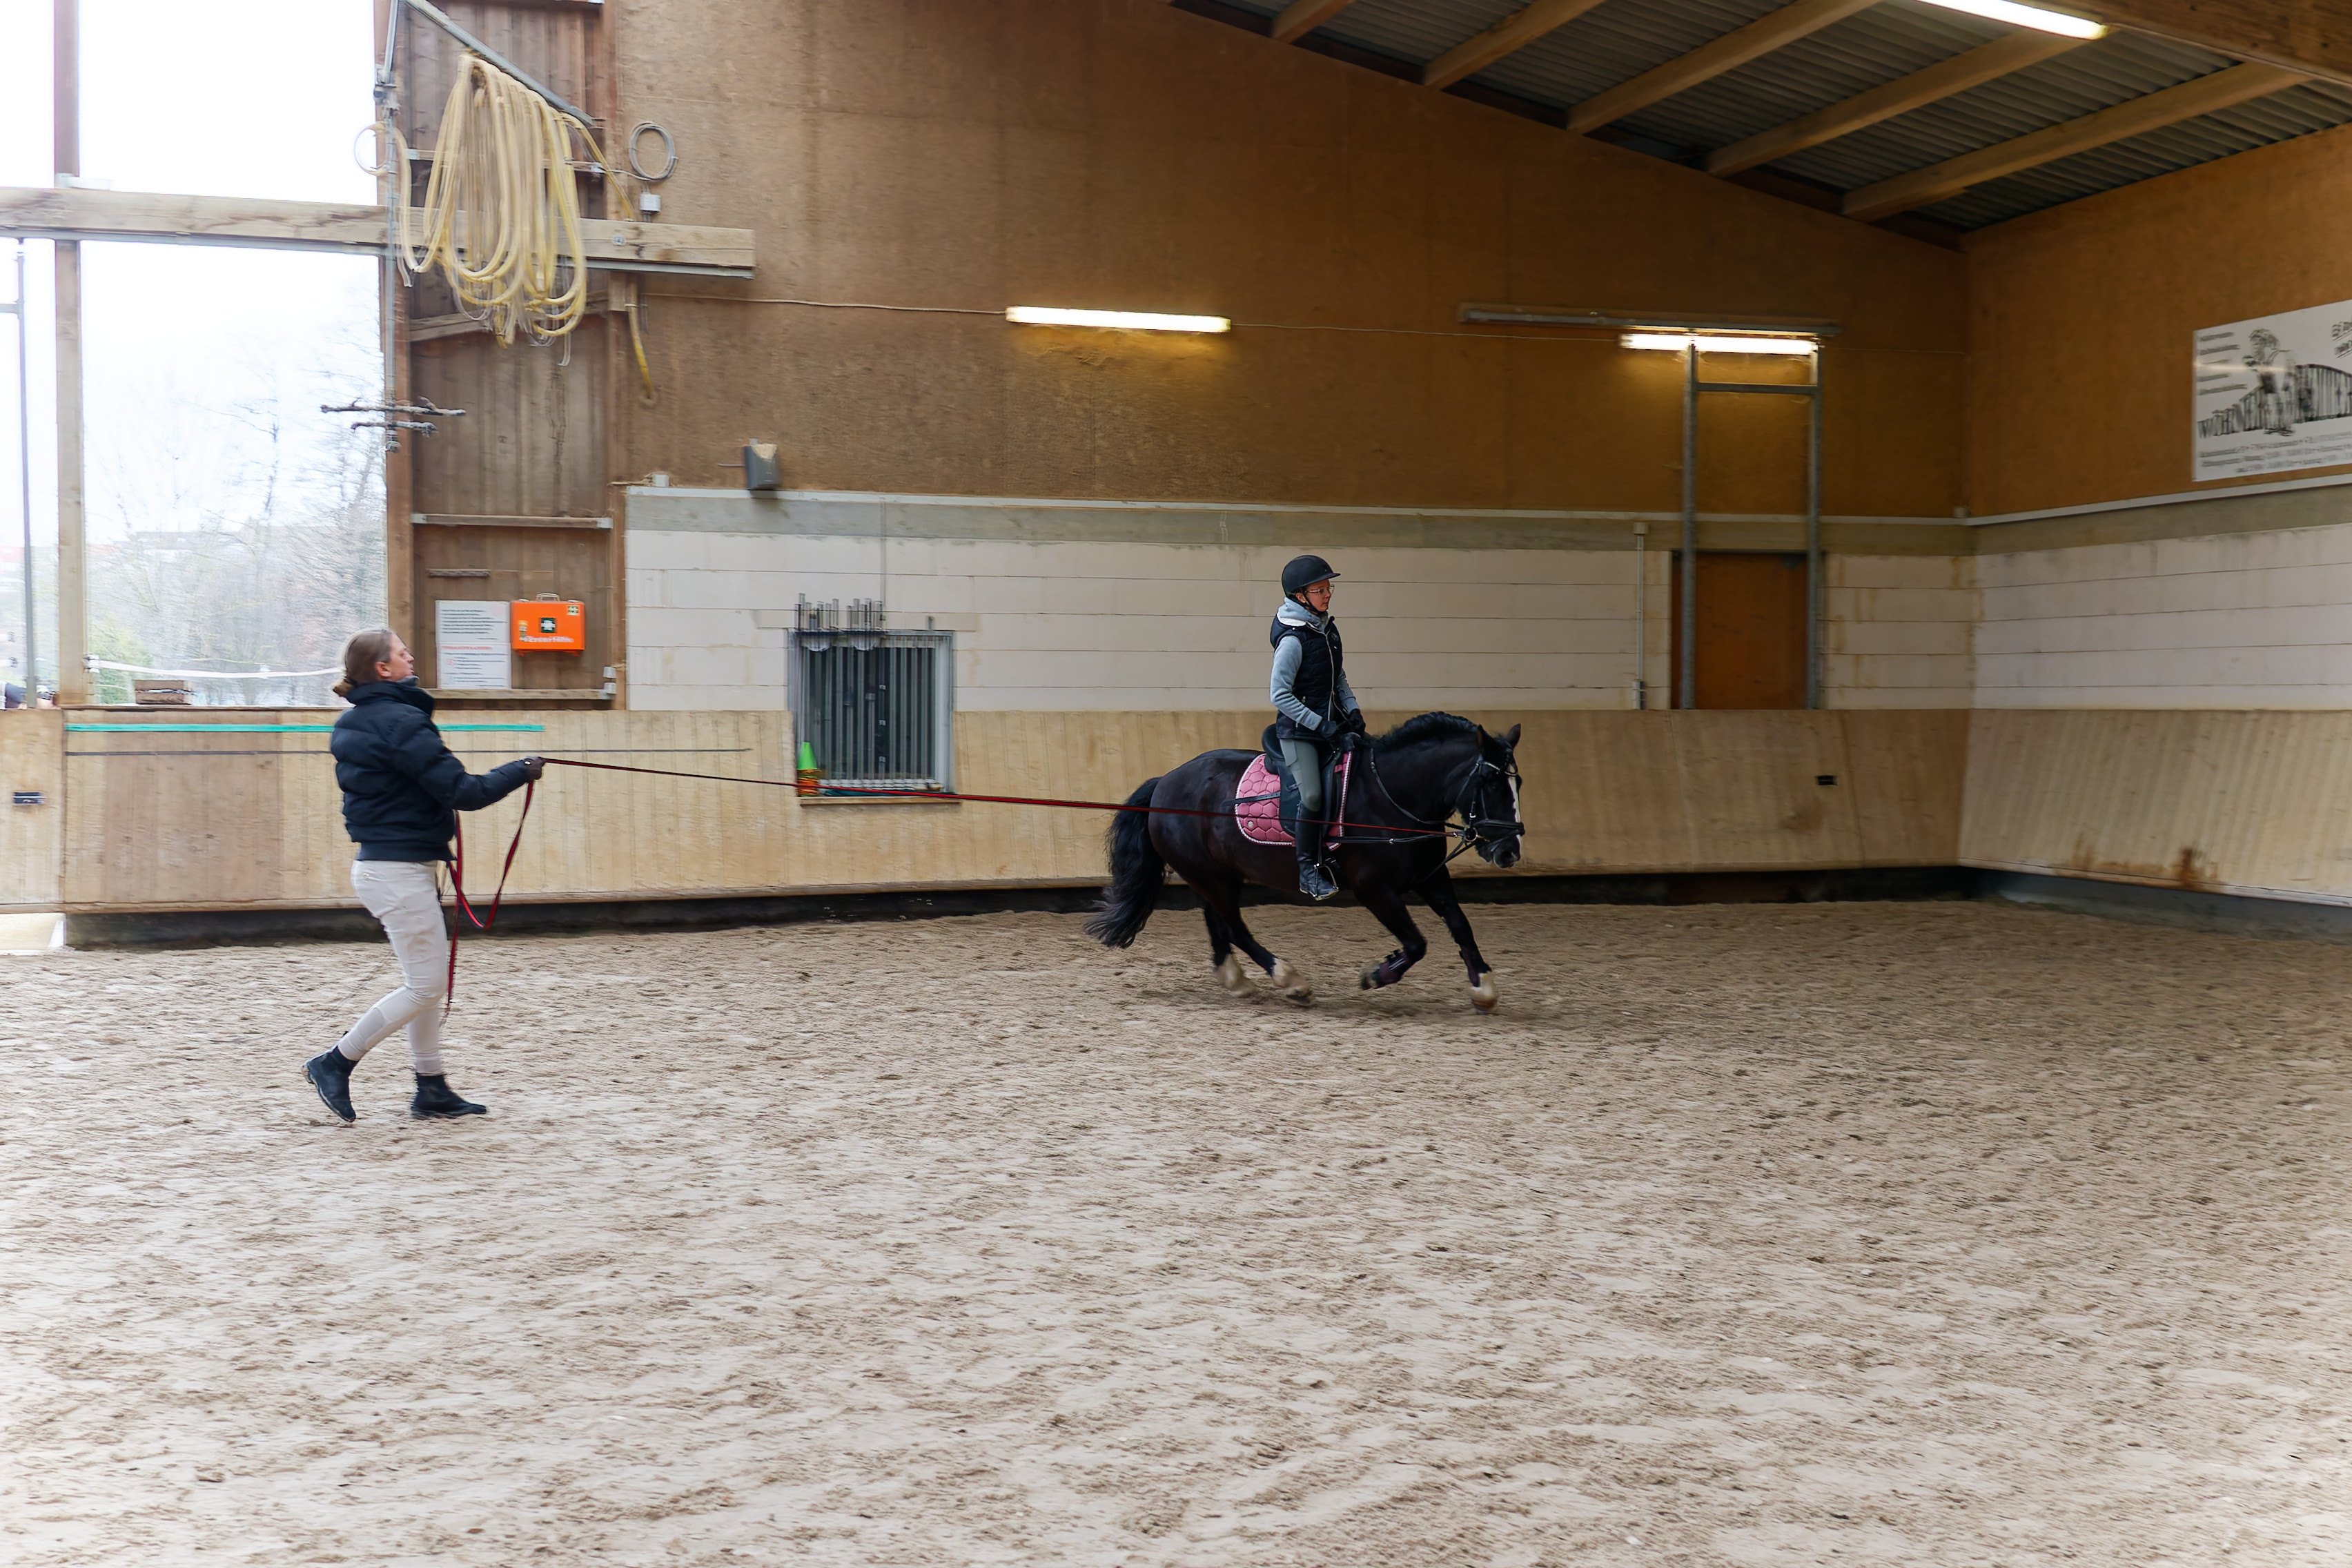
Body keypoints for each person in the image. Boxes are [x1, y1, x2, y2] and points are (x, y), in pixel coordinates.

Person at [304, 627, 542, 1124]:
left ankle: (431, 1088)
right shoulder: (401, 721)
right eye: (401, 653)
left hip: (393, 867)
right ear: (383, 669)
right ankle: (336, 1062)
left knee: (425, 982)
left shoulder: (360, 721)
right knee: (427, 985)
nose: (410, 657)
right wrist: (521, 769)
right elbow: (465, 792)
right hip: (398, 873)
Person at [1268, 553, 1365, 901]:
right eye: (1319, 590)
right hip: (1299, 733)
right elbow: (1279, 695)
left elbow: (1338, 676)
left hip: (1332, 725)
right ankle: (1308, 870)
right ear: (1300, 596)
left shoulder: (1326, 629)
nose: (1327, 595)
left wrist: (1353, 710)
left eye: (1328, 589)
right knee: (1311, 795)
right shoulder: (1293, 640)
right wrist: (1319, 724)